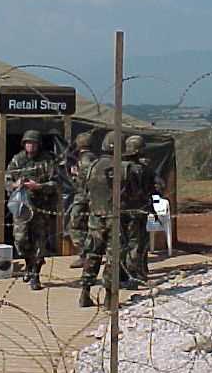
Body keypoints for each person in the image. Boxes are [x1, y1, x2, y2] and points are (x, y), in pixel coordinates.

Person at [79, 131, 139, 308]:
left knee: (92, 254)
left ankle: (85, 293)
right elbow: (132, 194)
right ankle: (109, 298)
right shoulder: (123, 167)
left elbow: (84, 190)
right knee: (113, 258)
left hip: (95, 217)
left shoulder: (93, 165)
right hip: (116, 218)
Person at [5, 129, 57, 291]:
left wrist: (39, 186)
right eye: (28, 143)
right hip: (22, 207)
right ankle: (29, 264)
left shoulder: (47, 161)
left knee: (40, 242)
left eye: (33, 143)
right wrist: (16, 185)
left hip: (42, 207)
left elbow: (56, 183)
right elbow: (7, 180)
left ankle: (36, 274)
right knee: (21, 240)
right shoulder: (17, 160)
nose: (30, 146)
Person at [123, 135, 156, 281]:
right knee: (138, 242)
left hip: (122, 211)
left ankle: (125, 273)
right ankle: (135, 273)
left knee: (123, 242)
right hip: (139, 210)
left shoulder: (119, 167)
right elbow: (157, 187)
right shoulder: (143, 169)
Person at [66, 132, 97, 269]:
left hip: (84, 196)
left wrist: (76, 174)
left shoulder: (85, 159)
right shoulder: (93, 158)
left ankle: (85, 254)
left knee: (75, 225)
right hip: (91, 197)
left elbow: (87, 178)